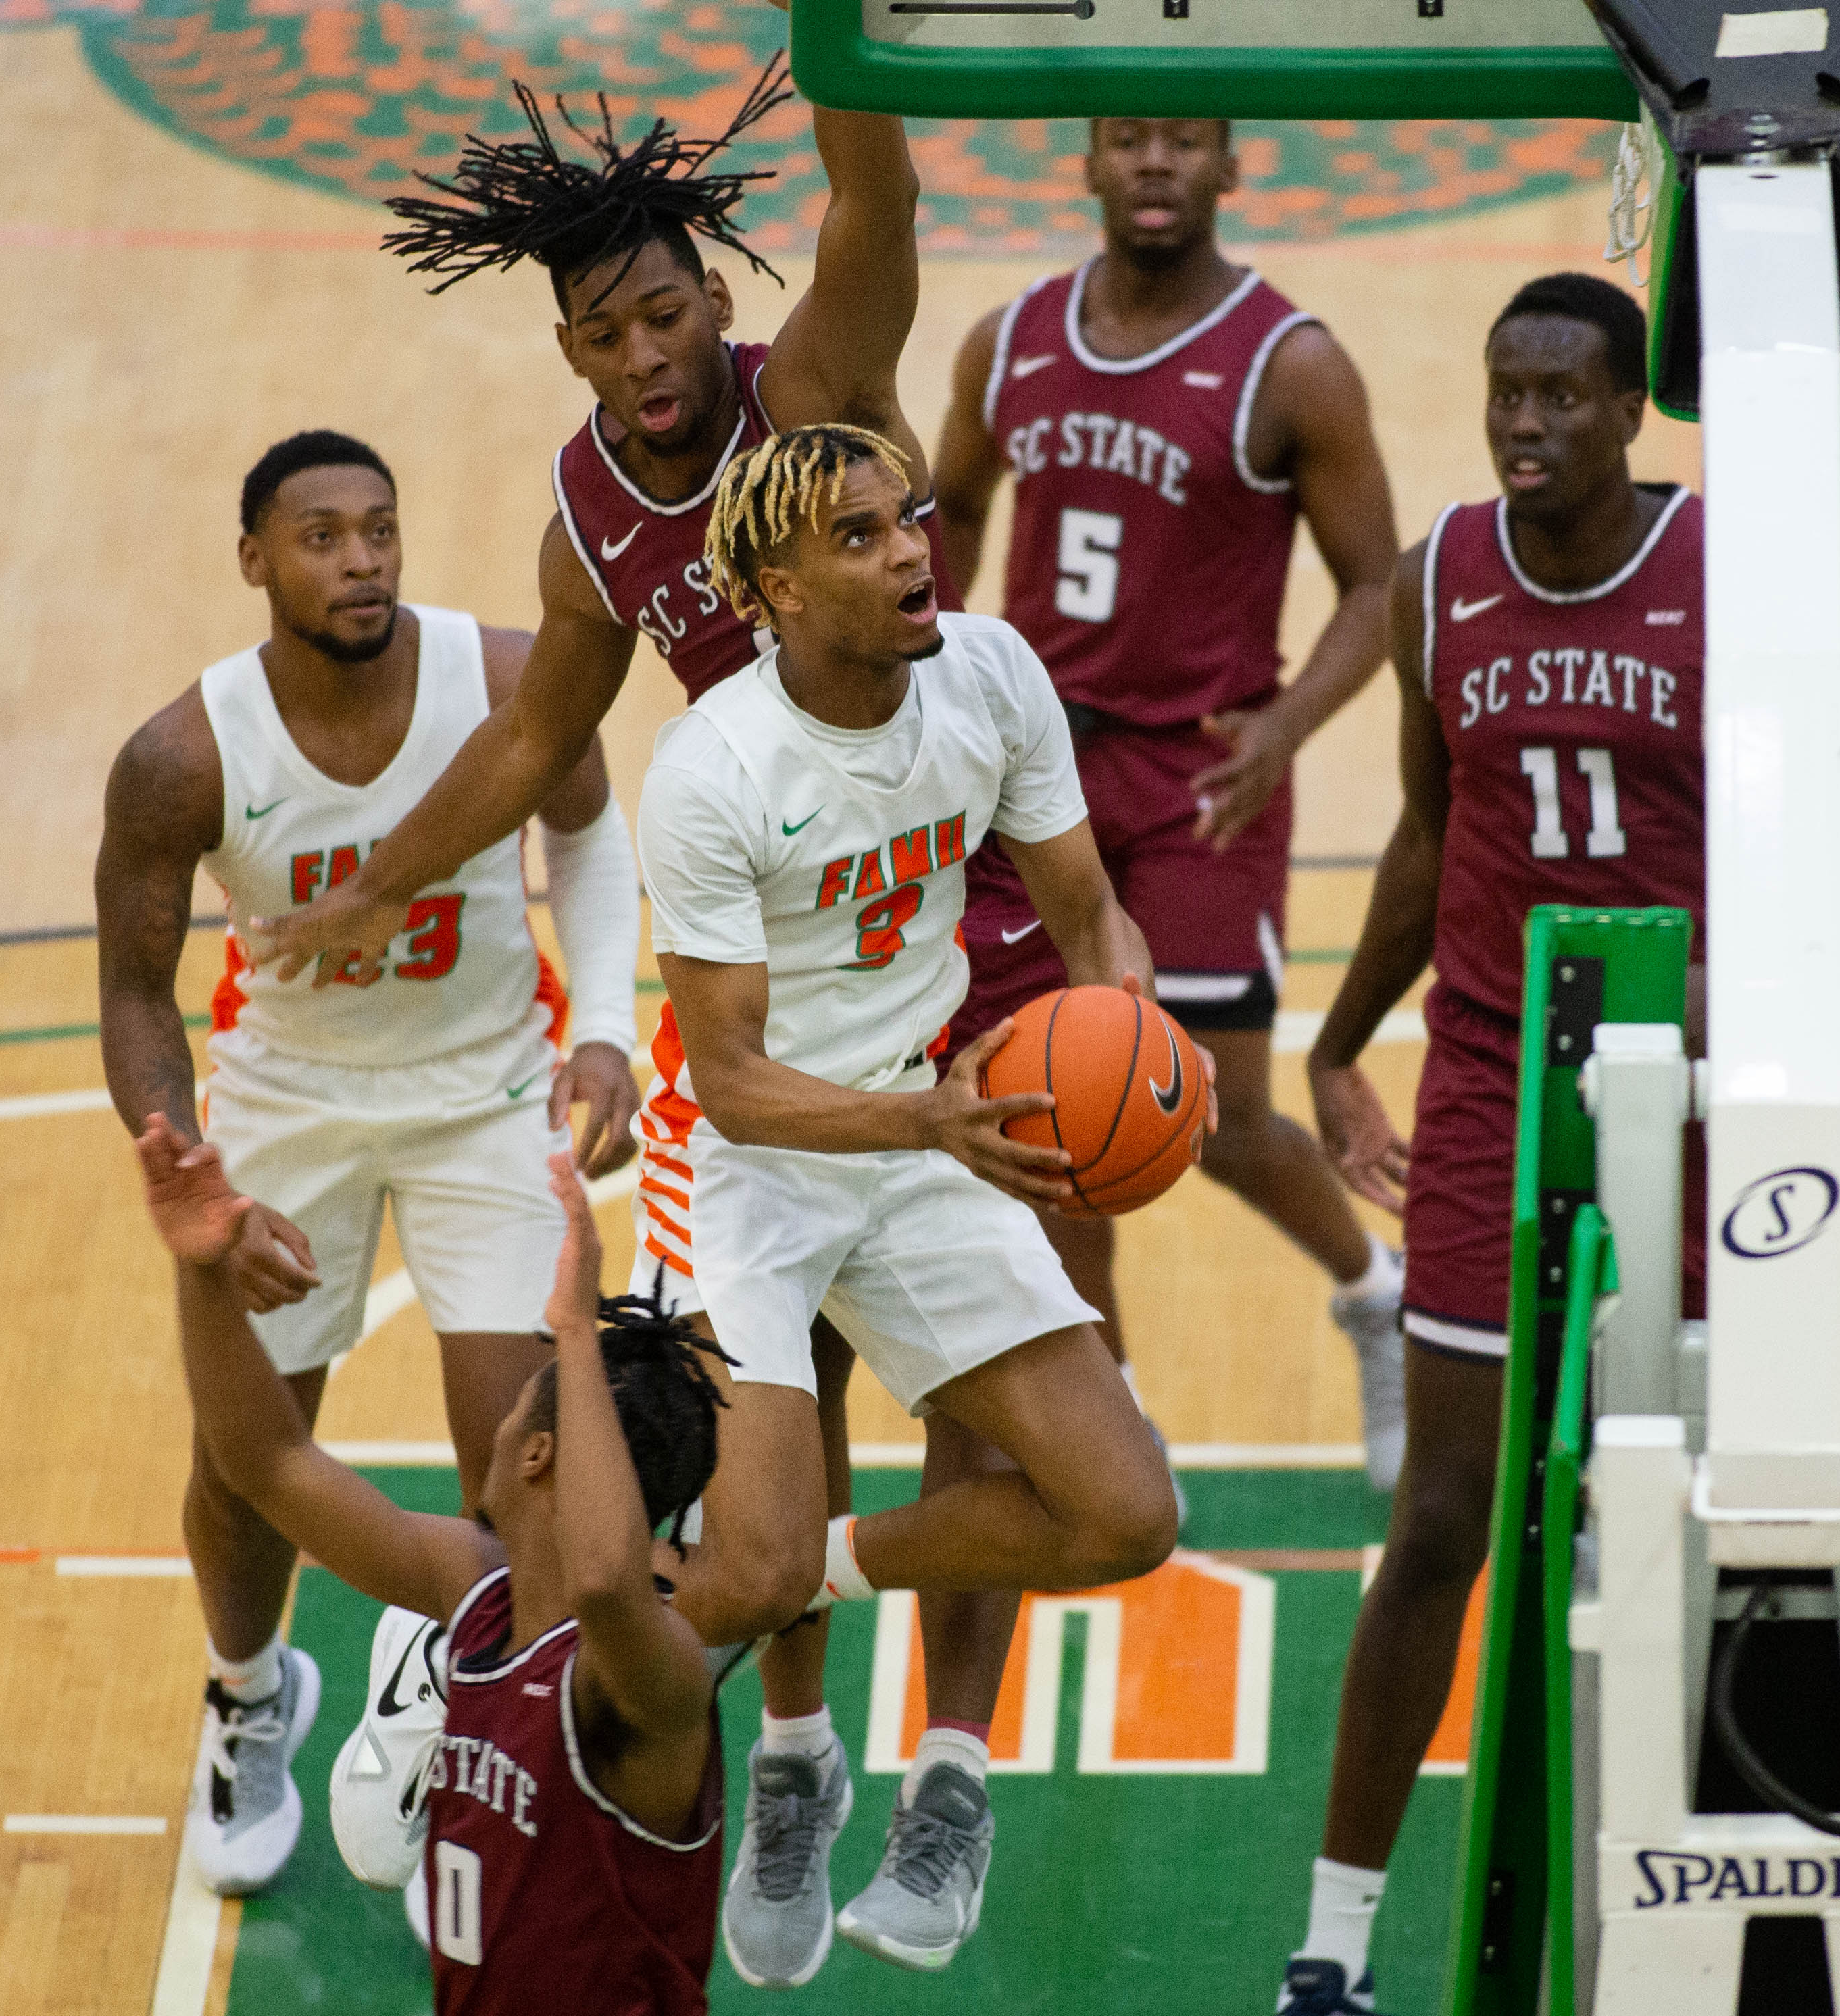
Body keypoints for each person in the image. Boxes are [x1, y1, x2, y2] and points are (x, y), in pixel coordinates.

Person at [224, 72, 1027, 1949]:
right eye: (602, 331)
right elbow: (532, 735)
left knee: (983, 1387)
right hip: (778, 958)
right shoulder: (589, 518)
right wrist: (373, 875)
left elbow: (874, 198)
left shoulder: (811, 392)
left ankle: (955, 1771)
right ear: (569, 350)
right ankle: (800, 1762)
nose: (643, 353)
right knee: (777, 1390)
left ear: (714, 306)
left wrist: (851, 46)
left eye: (666, 312)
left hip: (965, 908)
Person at [1280, 274, 1840, 2016]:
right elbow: (1431, 839)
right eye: (1505, 391)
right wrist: (1344, 1041)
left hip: (1701, 1121)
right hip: (1493, 1096)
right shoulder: (1440, 579)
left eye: (1563, 396)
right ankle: (1331, 1956)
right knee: (1442, 1521)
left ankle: (1751, 1924)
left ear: (1630, 412)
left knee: (1732, 1523)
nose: (1526, 423)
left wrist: (1763, 1002)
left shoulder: (1737, 578)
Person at [639, 420, 1186, 1973]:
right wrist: (926, 1123)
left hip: (923, 1131)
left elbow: (1089, 914)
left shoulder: (991, 675)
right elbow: (733, 1078)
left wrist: (1134, 1061)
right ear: (774, 588)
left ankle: (847, 1626)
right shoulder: (714, 771)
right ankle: (758, 1757)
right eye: (866, 539)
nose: (912, 554)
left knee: (1124, 1509)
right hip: (746, 1171)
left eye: (912, 520)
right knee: (732, 1560)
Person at [93, 430, 640, 1896]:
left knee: (523, 1464)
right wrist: (186, 1157)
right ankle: (248, 1688)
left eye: (380, 530)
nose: (362, 560)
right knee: (241, 1459)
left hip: (487, 1087)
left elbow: (588, 830)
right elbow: (137, 990)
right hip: (289, 1101)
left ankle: (462, 1731)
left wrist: (607, 1026)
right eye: (323, 537)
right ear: (256, 561)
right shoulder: (183, 755)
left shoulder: (506, 676)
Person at [930, 116, 1410, 1494]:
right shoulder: (1009, 341)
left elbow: (1378, 585)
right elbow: (952, 506)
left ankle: (1371, 1286)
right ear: (1084, 161)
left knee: (1220, 1111)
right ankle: (1117, 1400)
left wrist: (1284, 723)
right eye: (1130, 141)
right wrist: (936, 667)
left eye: (1183, 144)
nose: (1155, 164)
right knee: (1049, 1103)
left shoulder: (1290, 363)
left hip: (1202, 774)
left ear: (1230, 167)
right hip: (1033, 770)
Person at [135, 1119, 730, 2014]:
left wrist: (574, 1334)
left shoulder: (654, 1672)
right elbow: (267, 1462)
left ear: (535, 1455)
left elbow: (605, 1579)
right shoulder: (479, 1593)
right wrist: (201, 1269)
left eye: (524, 1409)